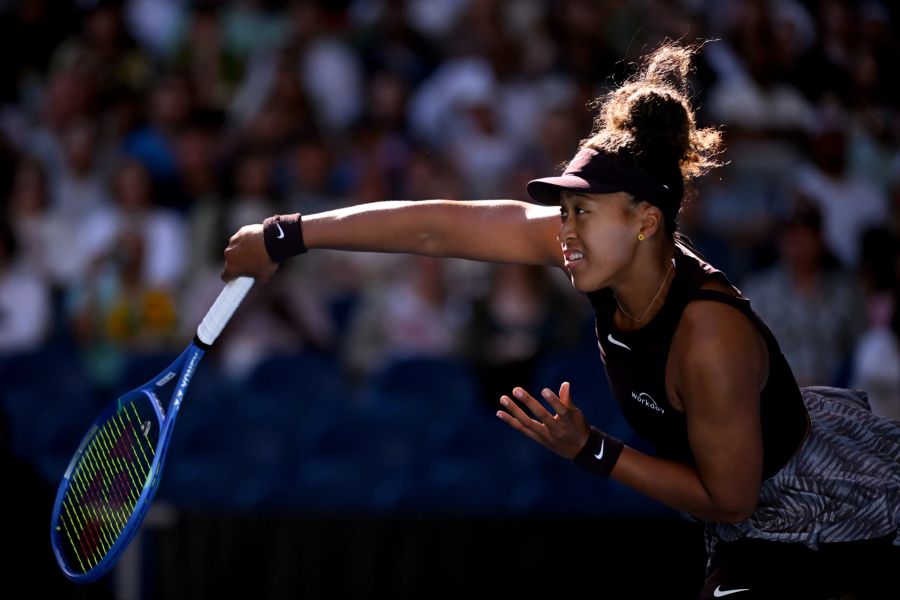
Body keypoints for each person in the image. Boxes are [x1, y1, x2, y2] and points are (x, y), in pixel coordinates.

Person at [220, 43, 899, 599]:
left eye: (584, 212)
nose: (565, 231)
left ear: (645, 221)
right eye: (564, 212)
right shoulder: (598, 253)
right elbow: (435, 227)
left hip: (833, 513)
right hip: (745, 513)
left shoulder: (708, 339)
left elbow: (729, 498)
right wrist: (287, 235)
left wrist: (590, 450)